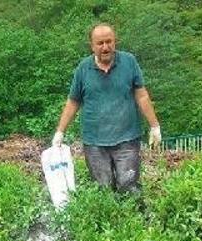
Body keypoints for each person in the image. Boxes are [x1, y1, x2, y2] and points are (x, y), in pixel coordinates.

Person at [52, 23, 161, 194]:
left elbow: (142, 95)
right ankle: (111, 218)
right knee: (103, 189)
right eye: (100, 43)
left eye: (109, 42)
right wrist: (60, 132)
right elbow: (73, 101)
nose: (105, 47)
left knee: (128, 186)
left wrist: (154, 126)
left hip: (127, 139)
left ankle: (133, 219)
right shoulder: (83, 68)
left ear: (115, 42)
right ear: (92, 46)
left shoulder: (129, 62)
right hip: (94, 143)